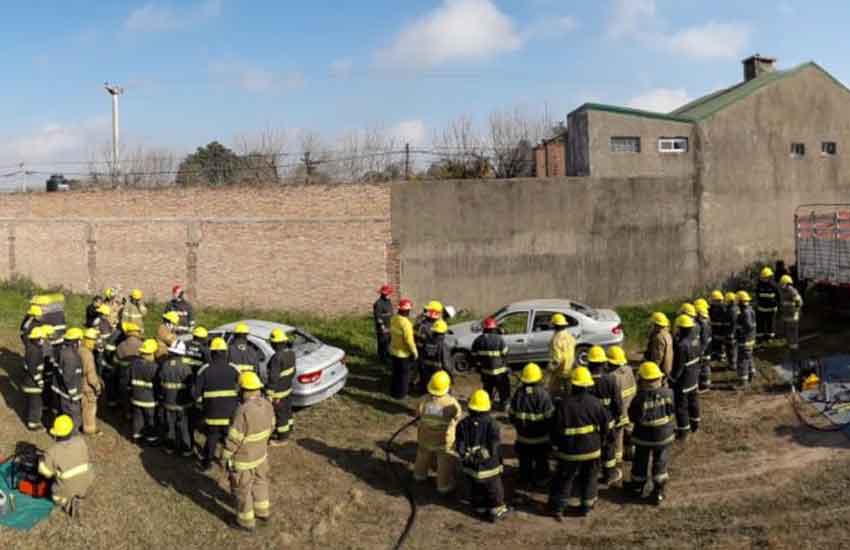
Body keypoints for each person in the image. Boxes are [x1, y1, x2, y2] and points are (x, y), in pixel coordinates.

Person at [548, 367, 610, 518]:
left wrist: (555, 446)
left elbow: (555, 429)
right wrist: (602, 440)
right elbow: (605, 425)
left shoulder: (563, 405)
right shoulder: (595, 403)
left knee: (565, 479)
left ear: (572, 385)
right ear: (588, 385)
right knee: (589, 478)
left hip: (569, 452)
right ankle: (586, 507)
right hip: (592, 450)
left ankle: (559, 508)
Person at [222, 371, 275, 532]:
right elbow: (272, 426)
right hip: (261, 455)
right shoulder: (267, 404)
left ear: (244, 390)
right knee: (261, 482)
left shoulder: (243, 410)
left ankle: (246, 522)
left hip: (243, 460)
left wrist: (225, 456)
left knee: (242, 490)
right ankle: (263, 512)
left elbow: (234, 438)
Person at [623, 362, 676, 505]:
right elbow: (672, 410)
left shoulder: (639, 398)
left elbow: (633, 417)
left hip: (643, 438)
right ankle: (658, 491)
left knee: (640, 461)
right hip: (664, 437)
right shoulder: (669, 393)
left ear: (642, 380)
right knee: (661, 461)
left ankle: (637, 488)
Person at [455, 389, 509, 523]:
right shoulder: (492, 424)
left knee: (475, 487)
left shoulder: (462, 424)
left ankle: (479, 507)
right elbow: (493, 447)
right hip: (489, 467)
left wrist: (466, 456)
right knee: (494, 489)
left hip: (471, 466)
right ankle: (496, 510)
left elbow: (459, 444)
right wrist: (483, 456)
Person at [194, 337, 240, 469]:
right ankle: (230, 463)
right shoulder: (234, 369)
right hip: (230, 413)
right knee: (230, 438)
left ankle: (207, 463)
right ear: (225, 353)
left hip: (212, 412)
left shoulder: (204, 369)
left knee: (212, 437)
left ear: (212, 353)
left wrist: (201, 405)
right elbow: (242, 388)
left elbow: (196, 394)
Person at [414, 371, 462, 495]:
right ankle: (443, 486)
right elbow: (457, 417)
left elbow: (417, 416)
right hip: (443, 442)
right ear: (447, 387)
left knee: (422, 456)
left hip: (425, 438)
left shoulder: (423, 400)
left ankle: (419, 475)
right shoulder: (452, 403)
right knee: (444, 463)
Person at [508, 363, 554, 488]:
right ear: (538, 378)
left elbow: (511, 416)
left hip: (523, 439)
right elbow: (550, 418)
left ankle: (525, 480)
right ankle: (541, 480)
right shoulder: (543, 395)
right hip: (541, 440)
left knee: (524, 462)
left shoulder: (518, 394)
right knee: (541, 462)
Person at [38, 415, 94, 517]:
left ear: (55, 435)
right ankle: (79, 496)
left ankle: (68, 504)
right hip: (86, 484)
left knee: (55, 493)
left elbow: (45, 472)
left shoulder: (52, 451)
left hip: (65, 491)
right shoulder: (81, 441)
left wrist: (41, 460)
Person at [586, 346, 622, 485]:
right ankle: (609, 475)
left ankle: (591, 475)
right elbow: (617, 403)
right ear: (603, 363)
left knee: (592, 450)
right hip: (608, 423)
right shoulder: (610, 380)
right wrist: (617, 417)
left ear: (589, 363)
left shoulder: (583, 380)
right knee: (608, 449)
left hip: (590, 425)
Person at [158, 341, 194, 456]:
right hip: (182, 404)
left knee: (170, 426)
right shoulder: (186, 368)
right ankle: (186, 450)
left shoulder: (165, 365)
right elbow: (190, 387)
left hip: (168, 402)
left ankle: (169, 447)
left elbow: (161, 383)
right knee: (184, 427)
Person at [671, 315, 701, 441]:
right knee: (693, 402)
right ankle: (695, 424)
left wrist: (673, 378)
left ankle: (683, 431)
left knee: (681, 406)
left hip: (684, 381)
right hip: (694, 377)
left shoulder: (682, 345)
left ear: (682, 329)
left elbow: (679, 366)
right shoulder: (695, 340)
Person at [472, 317, 511, 411]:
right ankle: (504, 404)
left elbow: (474, 356)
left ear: (484, 328)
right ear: (494, 328)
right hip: (500, 372)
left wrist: (479, 366)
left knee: (487, 389)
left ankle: (486, 405)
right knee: (503, 389)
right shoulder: (499, 339)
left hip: (485, 371)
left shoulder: (478, 340)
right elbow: (505, 354)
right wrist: (506, 365)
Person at [607, 345, 636, 467]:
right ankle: (631, 455)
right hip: (631, 409)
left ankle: (618, 462)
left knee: (618, 438)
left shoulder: (612, 377)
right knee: (630, 434)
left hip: (620, 413)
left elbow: (613, 399)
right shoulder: (629, 370)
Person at [266, 328, 296, 446]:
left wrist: (269, 393)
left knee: (280, 415)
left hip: (278, 393)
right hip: (288, 389)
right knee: (288, 412)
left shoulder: (276, 358)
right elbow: (293, 371)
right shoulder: (291, 353)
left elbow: (273, 378)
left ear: (275, 343)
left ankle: (282, 438)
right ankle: (289, 429)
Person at [130, 339, 160, 445]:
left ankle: (136, 436)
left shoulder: (134, 363)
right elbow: (157, 385)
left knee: (138, 418)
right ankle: (151, 439)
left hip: (136, 397)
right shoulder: (154, 367)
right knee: (151, 420)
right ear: (151, 353)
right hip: (149, 400)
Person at [54, 328, 84, 430]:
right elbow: (68, 377)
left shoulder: (64, 350)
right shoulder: (70, 357)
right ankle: (72, 434)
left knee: (65, 411)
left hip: (63, 391)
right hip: (70, 394)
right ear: (76, 341)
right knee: (74, 415)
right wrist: (73, 393)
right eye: (80, 339)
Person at [389, 298, 418, 399]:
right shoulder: (406, 324)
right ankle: (402, 394)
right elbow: (409, 341)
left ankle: (393, 392)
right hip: (403, 354)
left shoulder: (394, 319)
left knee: (395, 373)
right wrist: (415, 352)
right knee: (404, 376)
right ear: (407, 311)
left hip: (393, 351)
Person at [113, 322, 143, 412]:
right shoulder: (141, 344)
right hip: (138, 376)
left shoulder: (121, 345)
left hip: (123, 376)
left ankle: (126, 412)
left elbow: (115, 362)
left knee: (125, 395)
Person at [413, 301, 443, 393]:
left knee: (423, 371)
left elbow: (414, 336)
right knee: (430, 373)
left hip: (420, 352)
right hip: (431, 355)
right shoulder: (437, 325)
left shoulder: (420, 324)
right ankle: (428, 387)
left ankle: (423, 386)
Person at [79, 329, 104, 436]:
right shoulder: (88, 355)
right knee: (90, 407)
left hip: (79, 383)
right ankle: (89, 429)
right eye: (94, 340)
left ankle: (82, 424)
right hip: (87, 386)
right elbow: (91, 376)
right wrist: (97, 387)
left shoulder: (79, 350)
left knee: (83, 405)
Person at [419, 319, 454, 392]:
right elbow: (446, 364)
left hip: (426, 371)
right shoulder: (443, 346)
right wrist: (451, 377)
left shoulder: (427, 342)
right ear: (443, 333)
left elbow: (422, 356)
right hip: (438, 373)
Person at [23, 326, 47, 431]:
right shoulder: (34, 351)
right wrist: (39, 381)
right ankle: (33, 424)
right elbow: (33, 369)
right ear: (37, 339)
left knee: (33, 402)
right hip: (33, 384)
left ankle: (31, 418)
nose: (43, 340)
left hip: (30, 382)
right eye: (41, 338)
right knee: (35, 404)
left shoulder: (32, 348)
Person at [547, 313, 576, 396]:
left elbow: (557, 359)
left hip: (560, 371)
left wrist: (550, 368)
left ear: (555, 325)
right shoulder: (570, 336)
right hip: (570, 368)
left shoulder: (556, 340)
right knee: (569, 390)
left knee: (553, 391)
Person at [736, 291, 757, 388]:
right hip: (750, 339)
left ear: (740, 301)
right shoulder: (750, 309)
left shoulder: (744, 312)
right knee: (748, 356)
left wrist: (739, 328)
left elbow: (748, 326)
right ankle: (752, 373)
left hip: (745, 340)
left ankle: (743, 382)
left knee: (742, 360)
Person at [779, 275, 804, 354]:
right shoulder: (784, 290)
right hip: (787, 315)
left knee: (793, 331)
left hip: (793, 315)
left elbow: (799, 302)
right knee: (788, 330)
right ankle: (790, 344)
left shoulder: (792, 291)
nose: (781, 285)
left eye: (783, 283)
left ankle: (794, 346)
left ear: (787, 283)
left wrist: (796, 310)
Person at [755, 266, 780, 343]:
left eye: (764, 277)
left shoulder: (774, 286)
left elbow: (778, 296)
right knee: (760, 324)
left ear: (769, 277)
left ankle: (770, 338)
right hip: (761, 309)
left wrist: (777, 306)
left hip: (771, 309)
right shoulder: (759, 285)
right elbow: (757, 296)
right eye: (762, 277)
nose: (763, 279)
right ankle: (760, 338)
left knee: (770, 324)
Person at [645, 312, 673, 380]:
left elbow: (657, 357)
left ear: (656, 324)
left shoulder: (658, 338)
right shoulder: (667, 333)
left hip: (660, 369)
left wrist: (652, 370)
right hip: (668, 366)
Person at [373, 284, 394, 364]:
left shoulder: (388, 302)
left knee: (388, 342)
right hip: (383, 327)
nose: (389, 295)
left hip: (390, 325)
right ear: (383, 294)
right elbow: (377, 317)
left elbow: (390, 313)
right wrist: (382, 327)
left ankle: (387, 355)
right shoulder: (378, 304)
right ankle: (382, 358)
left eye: (389, 293)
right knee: (382, 343)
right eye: (387, 293)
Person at [694, 300, 713, 393]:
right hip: (706, 348)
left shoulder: (703, 323)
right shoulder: (706, 319)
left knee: (704, 367)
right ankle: (705, 384)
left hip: (705, 349)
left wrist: (700, 351)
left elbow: (704, 339)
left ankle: (705, 385)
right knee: (704, 366)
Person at [708, 290, 727, 361]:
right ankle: (715, 354)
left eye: (713, 300)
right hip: (714, 328)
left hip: (721, 329)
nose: (711, 302)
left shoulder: (723, 308)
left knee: (721, 343)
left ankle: (722, 356)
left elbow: (725, 320)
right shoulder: (712, 307)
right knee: (715, 341)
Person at [724, 292, 740, 374]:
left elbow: (733, 323)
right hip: (734, 332)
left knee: (731, 348)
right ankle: (733, 363)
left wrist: (731, 333)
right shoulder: (735, 308)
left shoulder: (732, 310)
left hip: (731, 333)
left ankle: (733, 364)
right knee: (732, 348)